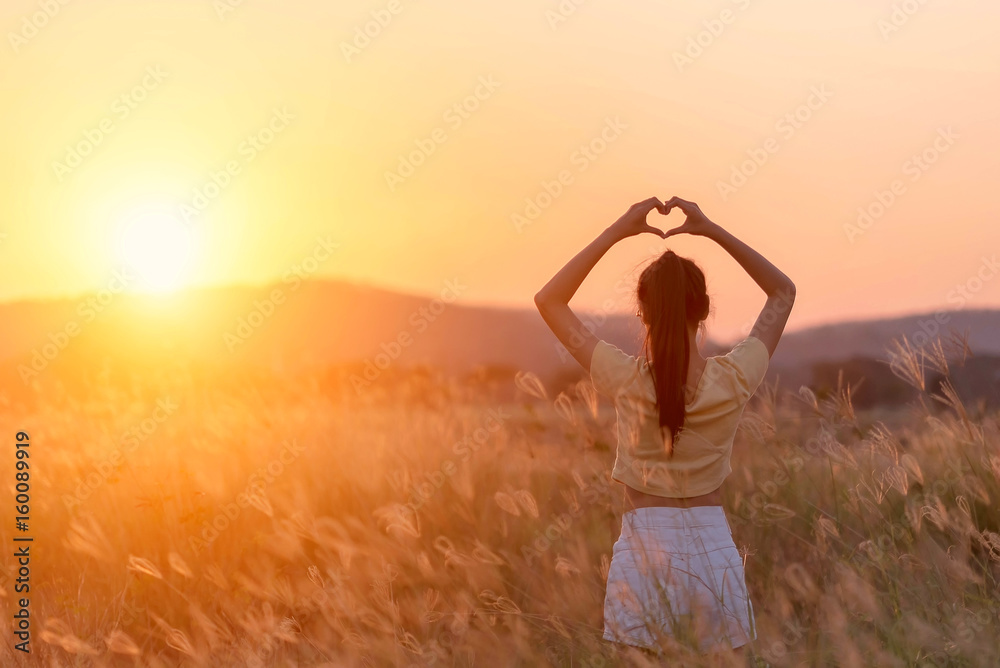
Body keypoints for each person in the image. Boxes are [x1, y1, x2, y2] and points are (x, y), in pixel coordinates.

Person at [533, 196, 795, 661]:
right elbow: (782, 293)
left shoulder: (624, 377)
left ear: (642, 313)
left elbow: (549, 299)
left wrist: (618, 229)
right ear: (705, 310)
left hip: (642, 551)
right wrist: (711, 229)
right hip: (714, 549)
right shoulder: (735, 379)